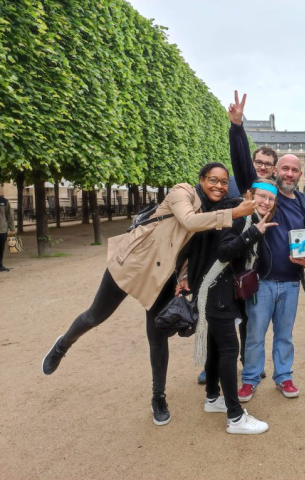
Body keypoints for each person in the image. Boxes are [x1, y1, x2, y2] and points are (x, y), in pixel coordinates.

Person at [41, 164, 255, 426]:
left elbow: (190, 249)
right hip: (133, 264)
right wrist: (234, 212)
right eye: (213, 180)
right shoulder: (182, 192)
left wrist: (184, 276)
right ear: (201, 179)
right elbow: (188, 222)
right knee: (95, 315)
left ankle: (158, 397)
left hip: (162, 276)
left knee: (158, 334)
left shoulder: (212, 210)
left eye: (224, 182)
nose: (219, 186)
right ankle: (63, 344)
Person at [180, 172, 278, 434]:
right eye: (261, 196)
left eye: (271, 199)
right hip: (218, 291)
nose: (266, 202)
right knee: (229, 351)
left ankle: (213, 398)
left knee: (214, 347)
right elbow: (224, 252)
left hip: (215, 290)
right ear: (250, 196)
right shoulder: (238, 216)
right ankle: (235, 417)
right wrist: (253, 234)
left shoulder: (245, 216)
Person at [196, 91, 274, 385]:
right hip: (223, 263)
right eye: (259, 161)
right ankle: (210, 365)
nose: (262, 166)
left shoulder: (269, 193)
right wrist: (237, 127)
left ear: (274, 168)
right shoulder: (237, 189)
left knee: (247, 318)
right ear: (253, 163)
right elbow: (239, 159)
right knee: (219, 317)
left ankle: (246, 362)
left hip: (250, 268)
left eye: (268, 163)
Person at [237, 151, 305, 402]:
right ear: (275, 171)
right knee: (255, 335)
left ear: (300, 174)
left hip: (291, 281)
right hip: (262, 281)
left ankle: (283, 376)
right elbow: (242, 169)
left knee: (284, 335)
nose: (289, 174)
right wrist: (236, 128)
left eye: (294, 170)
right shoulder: (266, 197)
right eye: (285, 169)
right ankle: (250, 378)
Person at [0, 186, 16, 272]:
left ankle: (0, 265)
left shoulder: (4, 201)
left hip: (2, 229)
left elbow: (9, 215)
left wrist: (12, 228)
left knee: (1, 248)